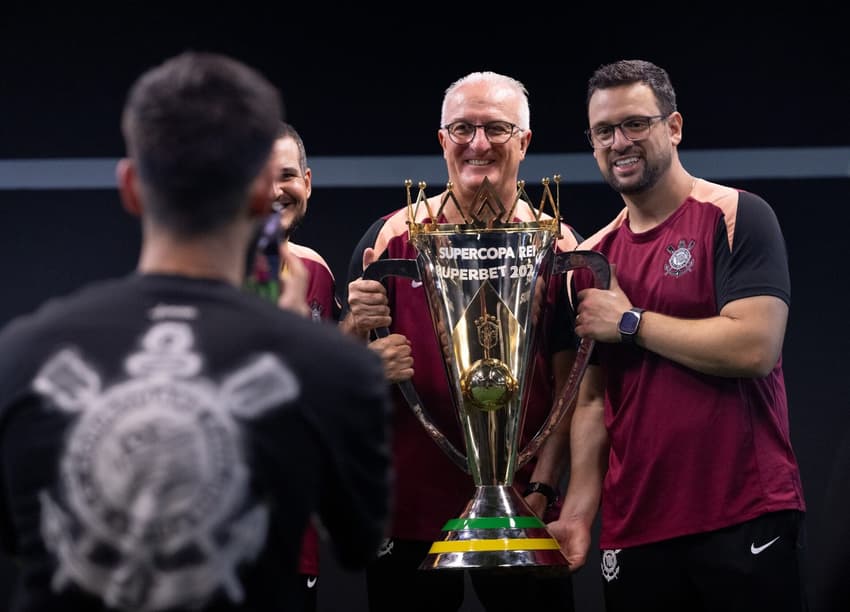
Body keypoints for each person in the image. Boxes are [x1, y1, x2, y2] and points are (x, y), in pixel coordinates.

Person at [0, 51, 393, 612]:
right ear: (262, 193)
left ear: (130, 187)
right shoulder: (329, 367)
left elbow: (16, 539)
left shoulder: (22, 356)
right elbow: (357, 533)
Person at [548, 59, 807, 611]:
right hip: (635, 529)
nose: (620, 142)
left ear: (674, 127)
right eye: (604, 132)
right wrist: (577, 513)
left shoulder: (737, 215)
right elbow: (593, 402)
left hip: (743, 516)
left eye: (636, 124)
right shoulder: (590, 260)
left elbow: (755, 347)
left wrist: (630, 323)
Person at [340, 71, 580, 612]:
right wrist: (358, 344)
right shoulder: (389, 238)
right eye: (463, 128)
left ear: (524, 142)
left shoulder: (557, 243)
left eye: (497, 128)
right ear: (442, 140)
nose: (478, 144)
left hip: (522, 504)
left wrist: (541, 488)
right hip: (410, 507)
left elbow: (573, 385)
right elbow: (341, 371)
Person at [243, 120, 342, 611]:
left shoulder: (315, 272)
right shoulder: (198, 274)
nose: (274, 191)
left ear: (306, 182)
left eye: (285, 176)